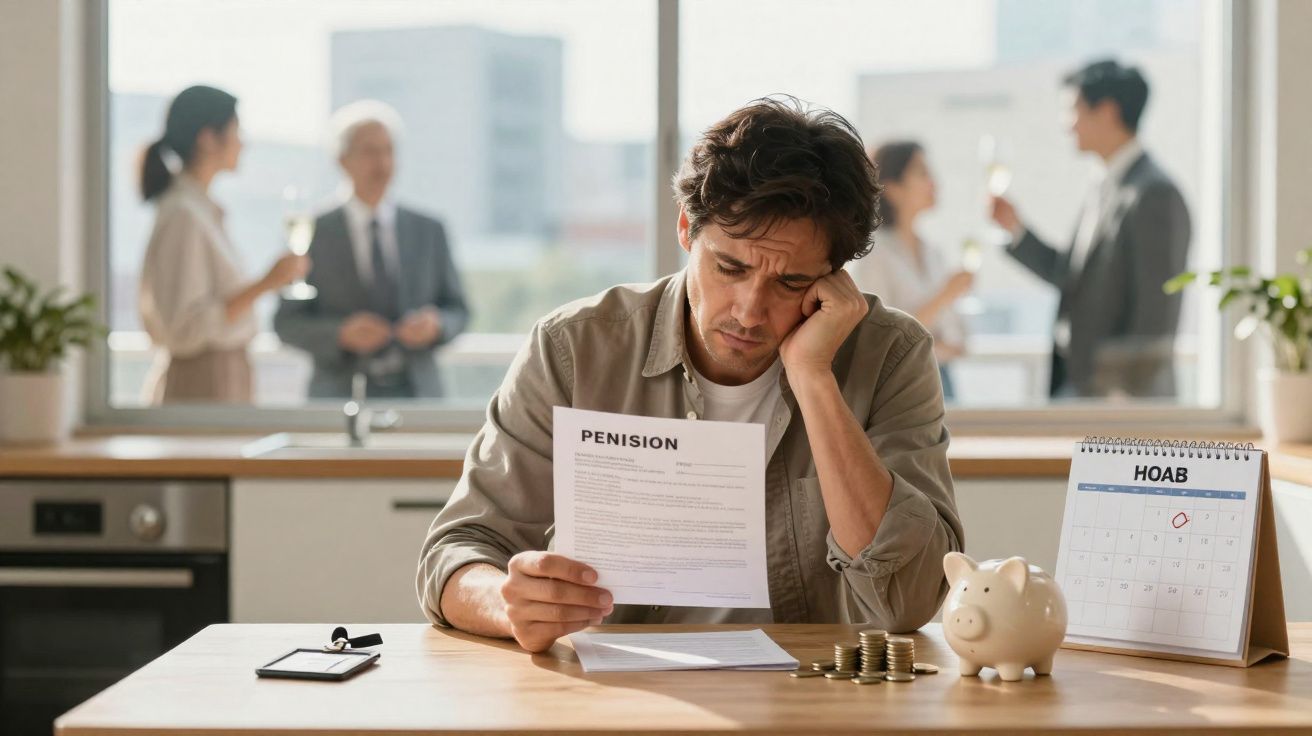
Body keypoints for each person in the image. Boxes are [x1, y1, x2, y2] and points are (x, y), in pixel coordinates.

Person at [417, 97, 963, 653]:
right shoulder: (575, 347)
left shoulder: (890, 354)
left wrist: (815, 378)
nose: (750, 311)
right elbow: (457, 552)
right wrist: (508, 603)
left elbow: (908, 601)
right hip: (619, 692)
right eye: (730, 267)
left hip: (812, 695)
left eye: (791, 283)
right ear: (685, 228)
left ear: (834, 277)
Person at [991, 59, 1191, 399]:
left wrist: (1124, 396)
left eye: (1073, 110)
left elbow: (1155, 314)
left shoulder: (1153, 194)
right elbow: (1073, 280)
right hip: (1082, 387)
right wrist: (1016, 230)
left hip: (1120, 398)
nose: (1067, 125)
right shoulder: (1104, 187)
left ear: (1108, 111)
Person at [274, 101, 469, 399]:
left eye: (389, 151)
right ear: (341, 159)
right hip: (338, 397)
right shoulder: (311, 231)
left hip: (419, 396)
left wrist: (437, 325)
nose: (383, 163)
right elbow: (286, 322)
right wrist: (341, 334)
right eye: (370, 152)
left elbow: (459, 310)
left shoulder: (429, 230)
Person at [138, 85, 309, 404]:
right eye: (236, 130)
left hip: (222, 376)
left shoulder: (200, 210)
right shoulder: (183, 215)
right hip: (203, 382)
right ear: (207, 138)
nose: (243, 142)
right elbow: (185, 328)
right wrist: (266, 283)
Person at [851, 142, 972, 400]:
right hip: (899, 386)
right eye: (922, 173)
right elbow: (879, 338)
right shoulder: (874, 254)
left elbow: (954, 335)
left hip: (941, 379)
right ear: (892, 189)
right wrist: (945, 295)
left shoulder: (933, 253)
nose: (933, 182)